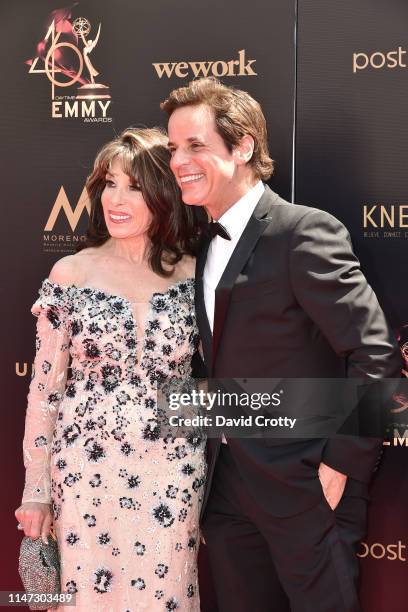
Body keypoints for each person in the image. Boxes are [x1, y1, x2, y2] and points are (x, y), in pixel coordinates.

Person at [161, 78, 403, 612]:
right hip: (226, 491)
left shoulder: (302, 233)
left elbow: (376, 355)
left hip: (305, 488)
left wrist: (340, 464)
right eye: (174, 148)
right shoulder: (200, 245)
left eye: (196, 146)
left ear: (242, 146)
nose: (179, 160)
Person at [15, 127, 206, 611]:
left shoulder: (194, 274)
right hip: (86, 470)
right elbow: (44, 392)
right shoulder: (73, 274)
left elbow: (216, 373)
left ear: (164, 195)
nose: (115, 199)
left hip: (173, 471)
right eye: (109, 184)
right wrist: (36, 490)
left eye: (135, 186)